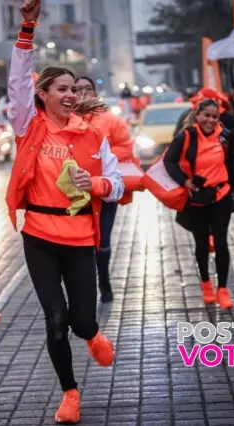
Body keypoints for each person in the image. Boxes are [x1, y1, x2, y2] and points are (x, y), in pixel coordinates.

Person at [5, 1, 124, 423]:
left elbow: (119, 183)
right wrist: (27, 27)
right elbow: (17, 81)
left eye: (75, 90)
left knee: (80, 320)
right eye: (62, 89)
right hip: (39, 235)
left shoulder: (94, 136)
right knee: (55, 319)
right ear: (44, 95)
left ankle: (90, 334)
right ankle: (70, 394)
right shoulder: (28, 126)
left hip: (79, 240)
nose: (71, 95)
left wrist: (95, 185)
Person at [164, 99, 234, 310]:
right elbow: (169, 161)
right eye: (206, 116)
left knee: (221, 241)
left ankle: (223, 290)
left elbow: (233, 157)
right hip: (197, 199)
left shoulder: (224, 136)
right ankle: (206, 284)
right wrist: (185, 181)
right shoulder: (186, 136)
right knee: (202, 243)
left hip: (221, 195)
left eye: (215, 116)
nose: (210, 120)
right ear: (197, 115)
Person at [74, 76, 136, 303]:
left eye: (87, 89)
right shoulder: (63, 119)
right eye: (76, 89)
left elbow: (126, 146)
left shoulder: (110, 120)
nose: (82, 93)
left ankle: (105, 281)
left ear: (94, 92)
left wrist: (100, 158)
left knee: (102, 241)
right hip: (73, 192)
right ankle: (85, 286)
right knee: (80, 244)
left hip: (104, 191)